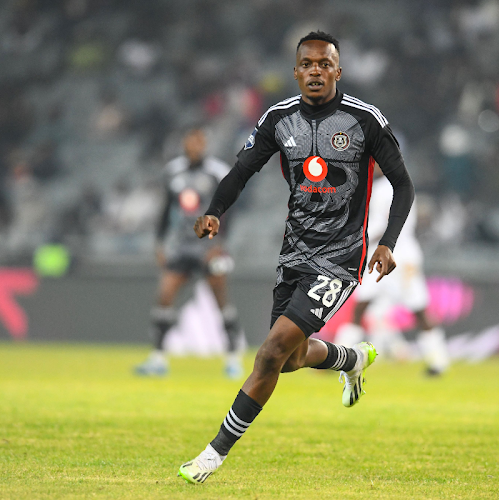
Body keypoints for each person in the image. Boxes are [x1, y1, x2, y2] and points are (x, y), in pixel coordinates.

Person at [178, 31, 414, 485]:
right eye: (307, 64)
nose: (315, 71)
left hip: (341, 257)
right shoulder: (277, 119)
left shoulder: (364, 120)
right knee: (288, 360)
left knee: (268, 354)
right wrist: (214, 211)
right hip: (295, 253)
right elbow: (241, 171)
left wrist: (389, 241)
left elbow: (403, 184)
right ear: (296, 71)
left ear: (338, 71)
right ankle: (351, 360)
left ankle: (211, 456)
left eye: (325, 64)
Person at [134, 128, 245, 379]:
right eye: (190, 141)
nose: (195, 145)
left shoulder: (217, 171)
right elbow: (165, 209)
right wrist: (160, 243)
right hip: (183, 245)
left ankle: (233, 359)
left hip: (209, 246)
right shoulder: (173, 171)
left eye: (199, 141)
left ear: (204, 143)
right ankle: (158, 359)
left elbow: (230, 210)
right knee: (165, 295)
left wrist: (220, 243)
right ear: (184, 142)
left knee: (220, 299)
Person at [334, 165, 450, 376]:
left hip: (399, 256)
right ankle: (339, 358)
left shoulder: (387, 189)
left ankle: (438, 360)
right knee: (361, 305)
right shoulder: (397, 185)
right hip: (386, 256)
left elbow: (385, 226)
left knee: (418, 308)